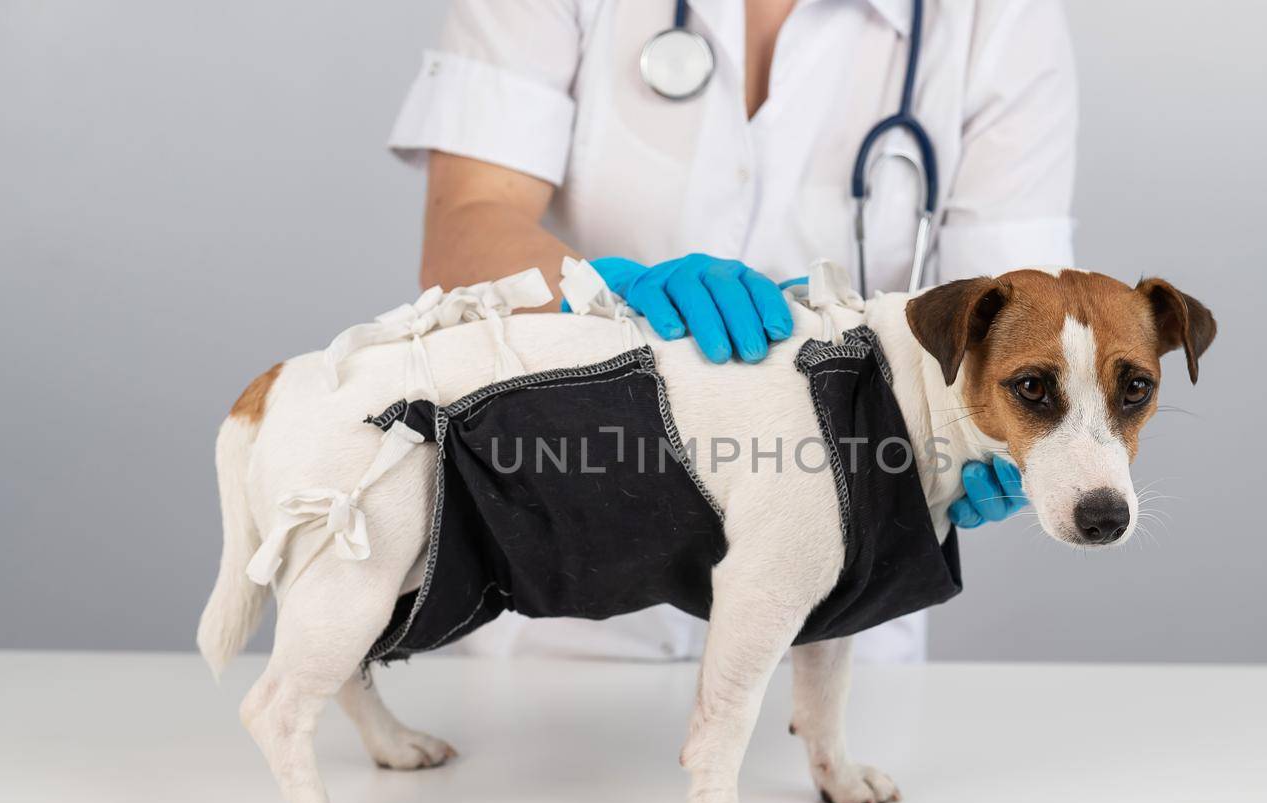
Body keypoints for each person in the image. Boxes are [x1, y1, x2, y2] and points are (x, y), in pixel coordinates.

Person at [387, 0, 1076, 661]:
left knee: (820, 760)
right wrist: (612, 295)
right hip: (567, 578)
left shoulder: (999, 14)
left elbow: (1016, 322)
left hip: (839, 614)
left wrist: (991, 442)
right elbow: (467, 219)